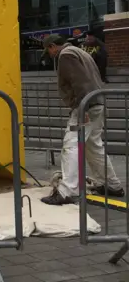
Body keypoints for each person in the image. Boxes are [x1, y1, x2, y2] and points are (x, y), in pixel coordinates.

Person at [40, 34, 124, 205]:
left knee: (71, 145)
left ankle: (66, 191)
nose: (49, 55)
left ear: (53, 46)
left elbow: (79, 82)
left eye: (48, 50)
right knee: (93, 146)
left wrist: (81, 106)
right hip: (97, 102)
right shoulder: (80, 51)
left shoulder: (66, 55)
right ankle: (111, 184)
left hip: (86, 105)